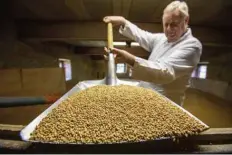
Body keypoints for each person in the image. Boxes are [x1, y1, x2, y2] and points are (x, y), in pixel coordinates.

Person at [103, 0, 202, 106]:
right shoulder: (162, 38)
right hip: (144, 98)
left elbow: (165, 72)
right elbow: (143, 36)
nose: (169, 29)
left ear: (186, 21)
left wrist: (131, 60)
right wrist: (123, 22)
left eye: (174, 24)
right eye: (166, 24)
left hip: (166, 104)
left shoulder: (192, 46)